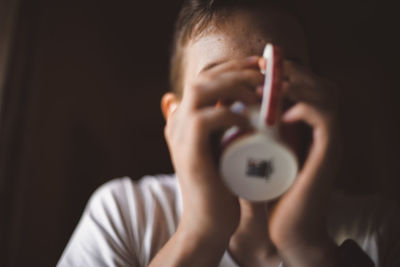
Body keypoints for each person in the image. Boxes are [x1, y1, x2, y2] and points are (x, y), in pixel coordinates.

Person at [57, 1, 400, 266]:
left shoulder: (379, 229)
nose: (257, 112)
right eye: (224, 85)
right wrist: (199, 236)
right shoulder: (124, 215)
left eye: (282, 80)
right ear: (174, 118)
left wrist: (306, 246)